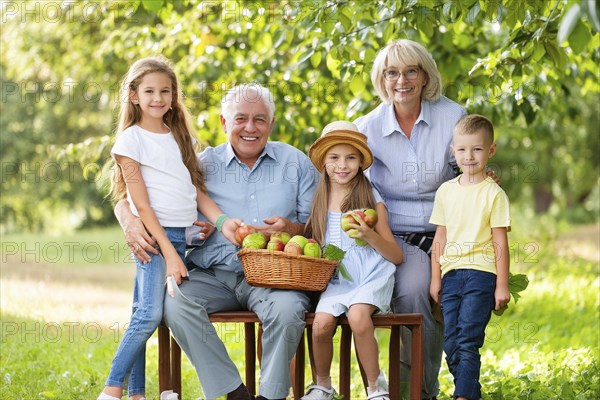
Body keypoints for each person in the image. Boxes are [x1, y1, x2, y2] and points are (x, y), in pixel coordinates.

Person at [114, 83, 319, 400]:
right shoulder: (198, 165)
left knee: (289, 307)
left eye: (260, 119)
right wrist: (128, 219)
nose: (250, 128)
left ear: (271, 124)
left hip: (272, 279)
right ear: (225, 123)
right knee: (172, 301)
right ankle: (234, 392)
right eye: (241, 119)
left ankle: (271, 396)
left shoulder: (296, 163)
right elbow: (136, 193)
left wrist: (289, 228)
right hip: (213, 275)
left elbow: (315, 228)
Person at [99, 57, 239, 400]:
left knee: (141, 310)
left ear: (174, 94)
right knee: (149, 314)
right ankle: (111, 390)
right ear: (133, 96)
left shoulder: (180, 137)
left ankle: (136, 393)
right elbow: (142, 205)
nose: (158, 98)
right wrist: (171, 254)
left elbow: (195, 192)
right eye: (149, 91)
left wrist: (222, 222)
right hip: (153, 237)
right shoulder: (130, 141)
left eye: (165, 90)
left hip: (180, 235)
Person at [353, 39, 468, 399]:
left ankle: (427, 387)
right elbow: (363, 189)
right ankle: (413, 391)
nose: (401, 80)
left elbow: (466, 171)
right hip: (394, 232)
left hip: (446, 228)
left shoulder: (452, 116)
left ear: (424, 76)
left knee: (455, 297)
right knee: (416, 292)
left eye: (410, 71)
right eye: (391, 73)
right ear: (382, 79)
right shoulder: (366, 127)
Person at [301, 121, 403, 400]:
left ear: (360, 162)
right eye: (334, 157)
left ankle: (375, 388)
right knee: (321, 325)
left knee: (358, 317)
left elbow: (395, 254)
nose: (342, 165)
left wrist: (369, 235)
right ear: (323, 161)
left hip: (371, 273)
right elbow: (324, 247)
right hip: (339, 277)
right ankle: (322, 386)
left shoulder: (370, 196)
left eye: (351, 158)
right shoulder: (319, 198)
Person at [429, 114, 510, 400]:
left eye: (477, 149)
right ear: (453, 151)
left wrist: (502, 284)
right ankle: (470, 392)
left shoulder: (494, 194)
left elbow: (500, 241)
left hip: (481, 274)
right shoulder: (446, 191)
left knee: (468, 339)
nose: (469, 156)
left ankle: (462, 396)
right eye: (462, 149)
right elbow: (440, 238)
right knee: (451, 340)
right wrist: (435, 278)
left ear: (491, 150)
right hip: (451, 275)